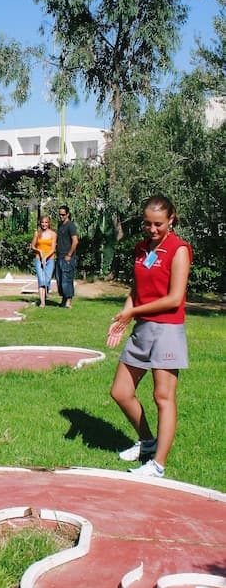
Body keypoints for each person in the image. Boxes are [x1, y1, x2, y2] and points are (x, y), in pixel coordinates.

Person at [106, 195, 192, 479]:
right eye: (147, 224)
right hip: (142, 327)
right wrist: (124, 315)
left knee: (162, 396)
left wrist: (133, 312)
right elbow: (137, 289)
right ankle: (147, 440)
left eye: (158, 224)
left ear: (171, 219)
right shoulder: (142, 248)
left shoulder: (179, 249)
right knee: (120, 392)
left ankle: (158, 464)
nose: (152, 229)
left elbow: (174, 298)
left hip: (167, 330)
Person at [30, 215, 57, 307]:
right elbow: (32, 246)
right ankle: (42, 302)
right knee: (41, 280)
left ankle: (44, 295)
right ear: (40, 223)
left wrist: (46, 257)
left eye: (46, 222)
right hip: (39, 259)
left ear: (49, 223)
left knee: (47, 280)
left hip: (50, 259)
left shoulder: (53, 234)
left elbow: (53, 249)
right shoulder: (37, 233)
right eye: (42, 222)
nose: (44, 224)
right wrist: (39, 251)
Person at [56, 205, 79, 307]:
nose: (61, 216)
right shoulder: (60, 225)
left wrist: (69, 255)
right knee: (60, 279)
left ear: (68, 214)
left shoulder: (71, 226)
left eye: (63, 214)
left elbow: (75, 241)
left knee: (67, 279)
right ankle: (64, 299)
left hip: (67, 257)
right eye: (60, 214)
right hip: (59, 256)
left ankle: (69, 300)